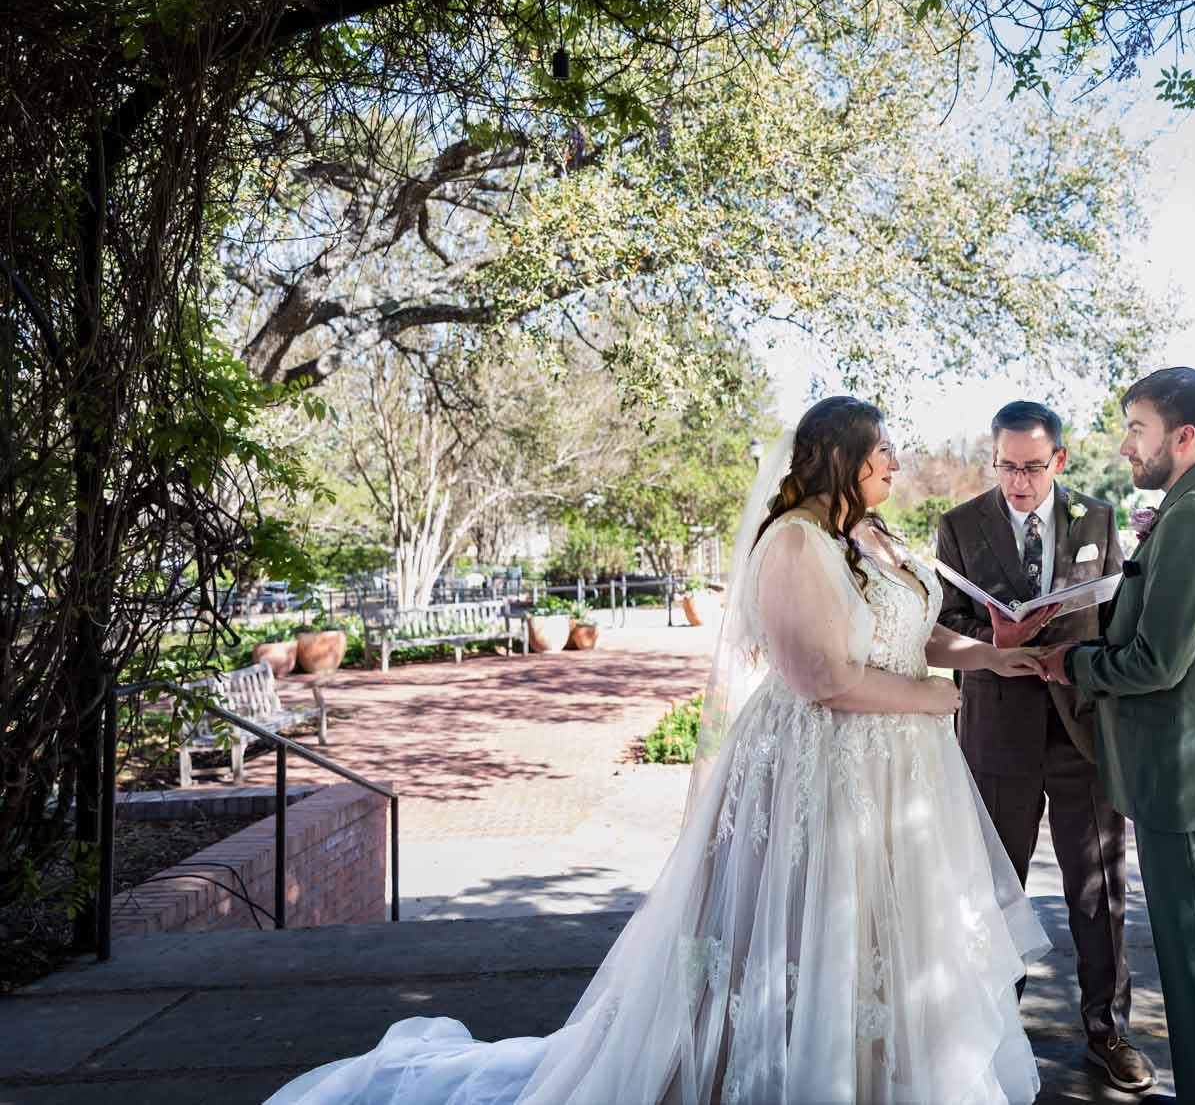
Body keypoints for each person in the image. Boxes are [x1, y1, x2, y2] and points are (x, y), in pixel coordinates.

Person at [266, 397, 1052, 1105]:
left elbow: (911, 634)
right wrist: (937, 699)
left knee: (885, 934)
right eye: (883, 449)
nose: (895, 463)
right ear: (842, 457)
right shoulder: (793, 546)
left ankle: (881, 1076)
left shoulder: (871, 537)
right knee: (812, 925)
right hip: (825, 765)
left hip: (898, 777)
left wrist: (985, 658)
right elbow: (826, 679)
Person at [1036, 367, 1195, 1105]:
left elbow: (1157, 661)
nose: (1128, 443)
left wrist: (1072, 661)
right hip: (1191, 766)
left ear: (1184, 434)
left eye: (1139, 428)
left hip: (1184, 774)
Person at [934, 401, 1157, 1094]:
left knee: (1099, 890)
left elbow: (1118, 614)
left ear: (1059, 460)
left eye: (1032, 466)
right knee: (997, 891)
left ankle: (1109, 1031)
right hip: (996, 731)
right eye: (1006, 465)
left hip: (1082, 729)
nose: (1019, 481)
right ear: (993, 459)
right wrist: (993, 639)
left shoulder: (1098, 519)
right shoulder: (958, 524)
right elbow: (940, 620)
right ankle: (997, 1033)